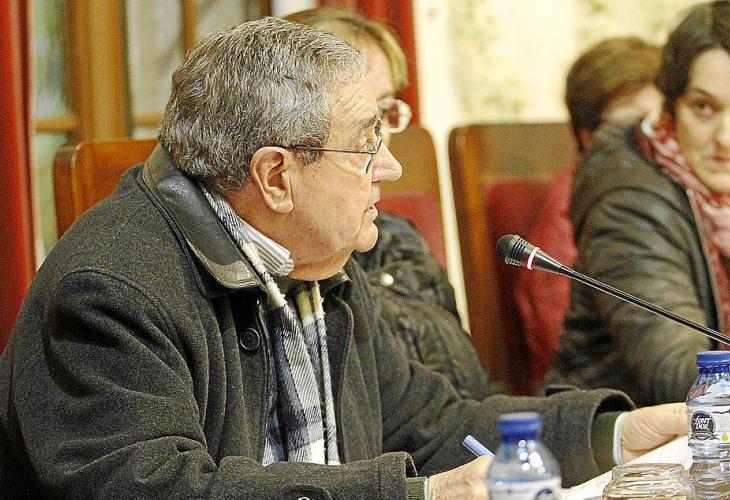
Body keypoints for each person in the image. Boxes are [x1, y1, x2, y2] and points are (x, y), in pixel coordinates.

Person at [0, 17, 685, 498]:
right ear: (276, 177)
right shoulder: (110, 289)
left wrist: (618, 435)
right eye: (364, 145)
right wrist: (416, 496)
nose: (390, 167)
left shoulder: (315, 259)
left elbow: (433, 426)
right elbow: (158, 489)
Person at [285, 7, 498, 400]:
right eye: (363, 119)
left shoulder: (398, 238)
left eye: (383, 112)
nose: (385, 154)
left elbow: (462, 392)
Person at [552, 0, 730, 407]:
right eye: (704, 108)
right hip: (612, 435)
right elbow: (685, 374)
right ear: (671, 107)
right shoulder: (627, 199)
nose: (725, 137)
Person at [513, 37, 662, 393]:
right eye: (635, 124)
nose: (656, 139)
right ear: (587, 136)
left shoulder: (672, 194)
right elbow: (569, 349)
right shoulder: (570, 220)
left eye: (662, 121)